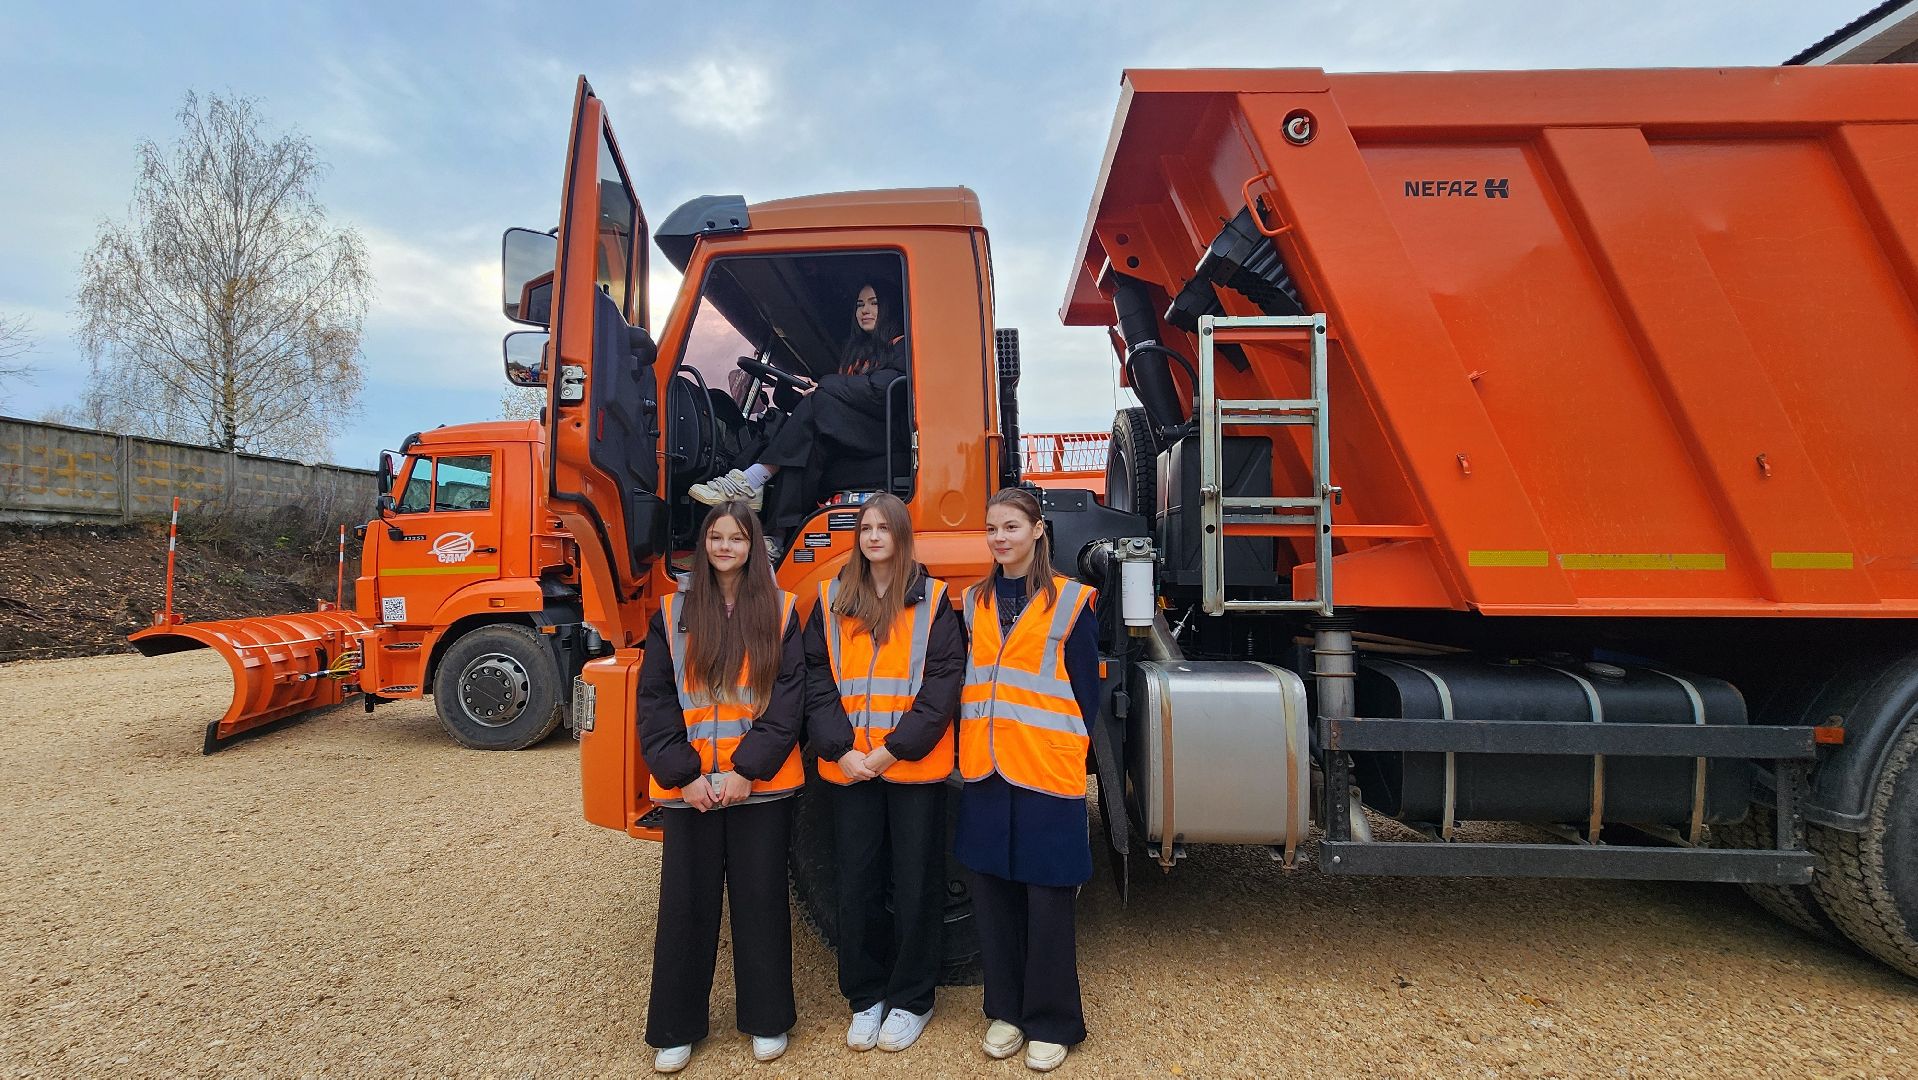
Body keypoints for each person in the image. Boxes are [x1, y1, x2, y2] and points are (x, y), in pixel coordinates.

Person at [636, 500, 807, 1074]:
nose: (725, 546)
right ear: (703, 545)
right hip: (691, 789)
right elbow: (656, 701)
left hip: (756, 784)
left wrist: (744, 770)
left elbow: (788, 701)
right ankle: (676, 1029)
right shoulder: (671, 612)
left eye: (736, 537)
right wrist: (683, 778)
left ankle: (767, 1020)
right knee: (685, 908)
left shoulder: (781, 610)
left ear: (753, 546)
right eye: (716, 537)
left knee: (762, 903)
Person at [802, 493, 965, 1054]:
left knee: (917, 884)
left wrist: (892, 751)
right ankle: (865, 995)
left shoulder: (934, 600)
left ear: (901, 536)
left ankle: (913, 999)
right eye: (866, 528)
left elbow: (942, 684)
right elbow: (816, 679)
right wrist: (841, 748)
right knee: (857, 882)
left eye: (883, 528)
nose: (873, 537)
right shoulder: (831, 600)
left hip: (909, 768)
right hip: (851, 769)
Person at [951, 487, 1101, 1073]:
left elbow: (1085, 696)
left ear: (1038, 531)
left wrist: (1059, 747)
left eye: (1011, 527)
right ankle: (1005, 1011)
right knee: (993, 895)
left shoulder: (1070, 602)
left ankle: (1052, 1020)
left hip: (1044, 768)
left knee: (1047, 898)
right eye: (992, 528)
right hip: (988, 769)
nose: (999, 538)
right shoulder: (974, 603)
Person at [689, 281, 907, 514]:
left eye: (874, 303)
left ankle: (749, 481)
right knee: (802, 448)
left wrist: (824, 386)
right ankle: (777, 536)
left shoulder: (902, 346)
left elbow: (880, 389)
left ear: (889, 308)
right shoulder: (857, 353)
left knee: (819, 404)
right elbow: (848, 393)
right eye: (860, 304)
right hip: (856, 437)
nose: (865, 310)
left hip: (885, 438)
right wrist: (792, 394)